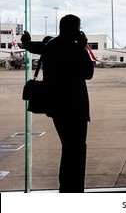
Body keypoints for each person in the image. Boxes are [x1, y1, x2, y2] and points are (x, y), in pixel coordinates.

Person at [21, 14, 94, 193]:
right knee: (76, 150)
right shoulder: (74, 48)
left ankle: (66, 188)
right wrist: (83, 47)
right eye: (78, 28)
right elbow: (88, 72)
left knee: (68, 147)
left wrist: (26, 43)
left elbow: (34, 47)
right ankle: (73, 190)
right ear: (75, 30)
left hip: (57, 107)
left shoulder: (50, 45)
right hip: (75, 107)